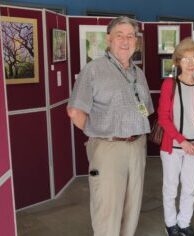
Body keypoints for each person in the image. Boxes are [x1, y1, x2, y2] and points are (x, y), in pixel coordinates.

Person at [67, 16, 154, 236]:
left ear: (136, 41)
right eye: (120, 35)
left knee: (131, 209)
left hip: (137, 147)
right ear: (109, 39)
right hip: (108, 148)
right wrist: (98, 134)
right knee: (107, 211)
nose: (126, 41)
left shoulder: (138, 73)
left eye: (131, 36)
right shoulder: (93, 70)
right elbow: (75, 112)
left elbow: (145, 108)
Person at [158, 38, 194, 236]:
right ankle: (170, 224)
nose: (190, 63)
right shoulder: (169, 84)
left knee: (190, 188)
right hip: (173, 146)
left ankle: (184, 223)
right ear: (178, 62)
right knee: (170, 188)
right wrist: (182, 141)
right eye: (185, 59)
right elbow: (163, 118)